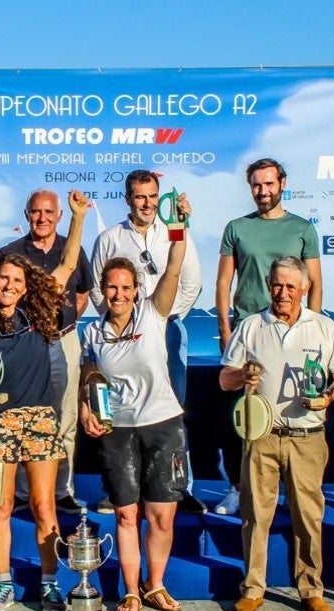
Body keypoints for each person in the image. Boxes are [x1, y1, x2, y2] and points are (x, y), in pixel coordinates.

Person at [0, 191, 88, 611]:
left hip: (39, 421)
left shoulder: (38, 308)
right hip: (0, 424)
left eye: (16, 280)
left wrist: (78, 216)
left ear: (25, 285)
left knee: (43, 506)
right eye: (3, 280)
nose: (9, 285)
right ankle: (2, 585)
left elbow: (69, 265)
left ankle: (50, 584)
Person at [219, 256, 334, 611]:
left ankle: (310, 588)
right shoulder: (250, 327)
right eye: (277, 285)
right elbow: (224, 379)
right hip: (261, 436)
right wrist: (241, 376)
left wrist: (330, 396)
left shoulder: (325, 329)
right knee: (255, 516)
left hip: (308, 437)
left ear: (304, 289)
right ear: (268, 285)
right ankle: (252, 588)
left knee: (308, 517)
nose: (283, 293)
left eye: (291, 286)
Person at [77, 235, 189, 611]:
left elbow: (173, 266)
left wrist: (178, 230)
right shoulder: (93, 333)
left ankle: (154, 584)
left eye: (126, 287)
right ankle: (130, 591)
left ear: (136, 290)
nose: (119, 294)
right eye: (112, 287)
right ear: (102, 291)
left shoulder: (153, 314)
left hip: (163, 424)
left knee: (161, 515)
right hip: (119, 431)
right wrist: (85, 409)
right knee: (126, 514)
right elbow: (88, 378)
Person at [89, 170, 205, 515]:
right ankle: (119, 489)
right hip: (119, 337)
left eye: (153, 196)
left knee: (171, 409)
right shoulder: (110, 238)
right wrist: (122, 322)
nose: (147, 203)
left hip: (166, 329)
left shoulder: (173, 232)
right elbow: (98, 289)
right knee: (118, 408)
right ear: (127, 199)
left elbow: (189, 283)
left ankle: (179, 488)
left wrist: (159, 319)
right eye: (140, 196)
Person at [213, 158, 324, 517]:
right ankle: (238, 487)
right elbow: (223, 283)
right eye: (256, 186)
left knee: (292, 412)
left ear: (282, 184)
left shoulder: (304, 229)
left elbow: (315, 283)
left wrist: (315, 330)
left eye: (269, 184)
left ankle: (291, 490)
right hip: (250, 334)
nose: (263, 192)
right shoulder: (236, 228)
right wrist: (226, 330)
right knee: (245, 414)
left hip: (294, 335)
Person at [0, 188, 95, 515]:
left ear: (59, 216)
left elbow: (81, 294)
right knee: (25, 417)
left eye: (49, 213)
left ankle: (61, 490)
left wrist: (64, 323)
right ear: (27, 214)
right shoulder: (11, 253)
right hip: (25, 345)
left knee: (65, 418)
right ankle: (26, 493)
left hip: (64, 340)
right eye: (36, 212)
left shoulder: (72, 249)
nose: (42, 218)